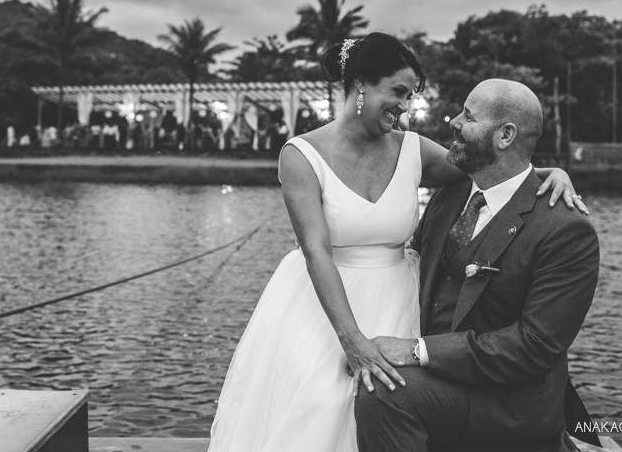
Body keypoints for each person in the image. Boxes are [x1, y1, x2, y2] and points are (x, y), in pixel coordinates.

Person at [207, 34, 585, 452]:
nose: (406, 107)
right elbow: (315, 250)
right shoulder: (300, 155)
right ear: (363, 84)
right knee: (321, 398)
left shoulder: (414, 150)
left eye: (411, 96)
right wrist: (352, 341)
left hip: (397, 301)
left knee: (385, 392)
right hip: (322, 298)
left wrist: (553, 173)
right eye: (399, 92)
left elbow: (494, 166)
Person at [354, 79, 601, 452]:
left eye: (468, 117)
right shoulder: (450, 196)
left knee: (384, 393)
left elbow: (533, 348)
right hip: (439, 382)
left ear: (504, 136)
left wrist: (418, 352)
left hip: (506, 402)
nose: (453, 121)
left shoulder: (566, 230)